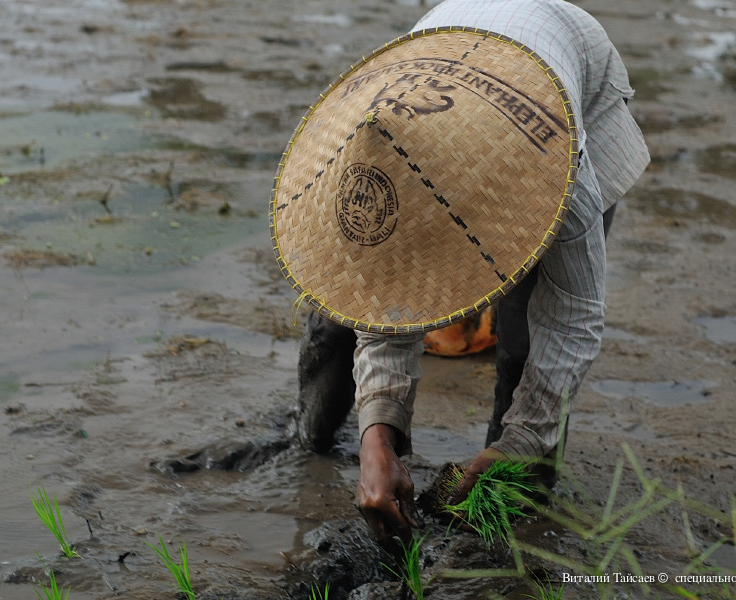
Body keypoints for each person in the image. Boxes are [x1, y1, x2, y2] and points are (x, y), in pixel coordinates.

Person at [273, 0, 650, 547]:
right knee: (336, 316)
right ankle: (308, 438)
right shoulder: (371, 150)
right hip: (457, 47)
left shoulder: (558, 171)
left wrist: (515, 444)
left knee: (524, 335)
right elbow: (382, 304)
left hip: (565, 66)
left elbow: (574, 318)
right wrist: (377, 436)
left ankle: (512, 500)